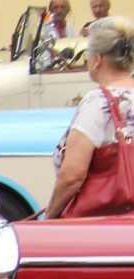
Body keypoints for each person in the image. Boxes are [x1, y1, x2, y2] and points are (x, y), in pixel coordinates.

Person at [45, 16, 134, 217]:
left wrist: (49, 216)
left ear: (98, 59)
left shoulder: (99, 102)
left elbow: (72, 176)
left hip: (101, 224)